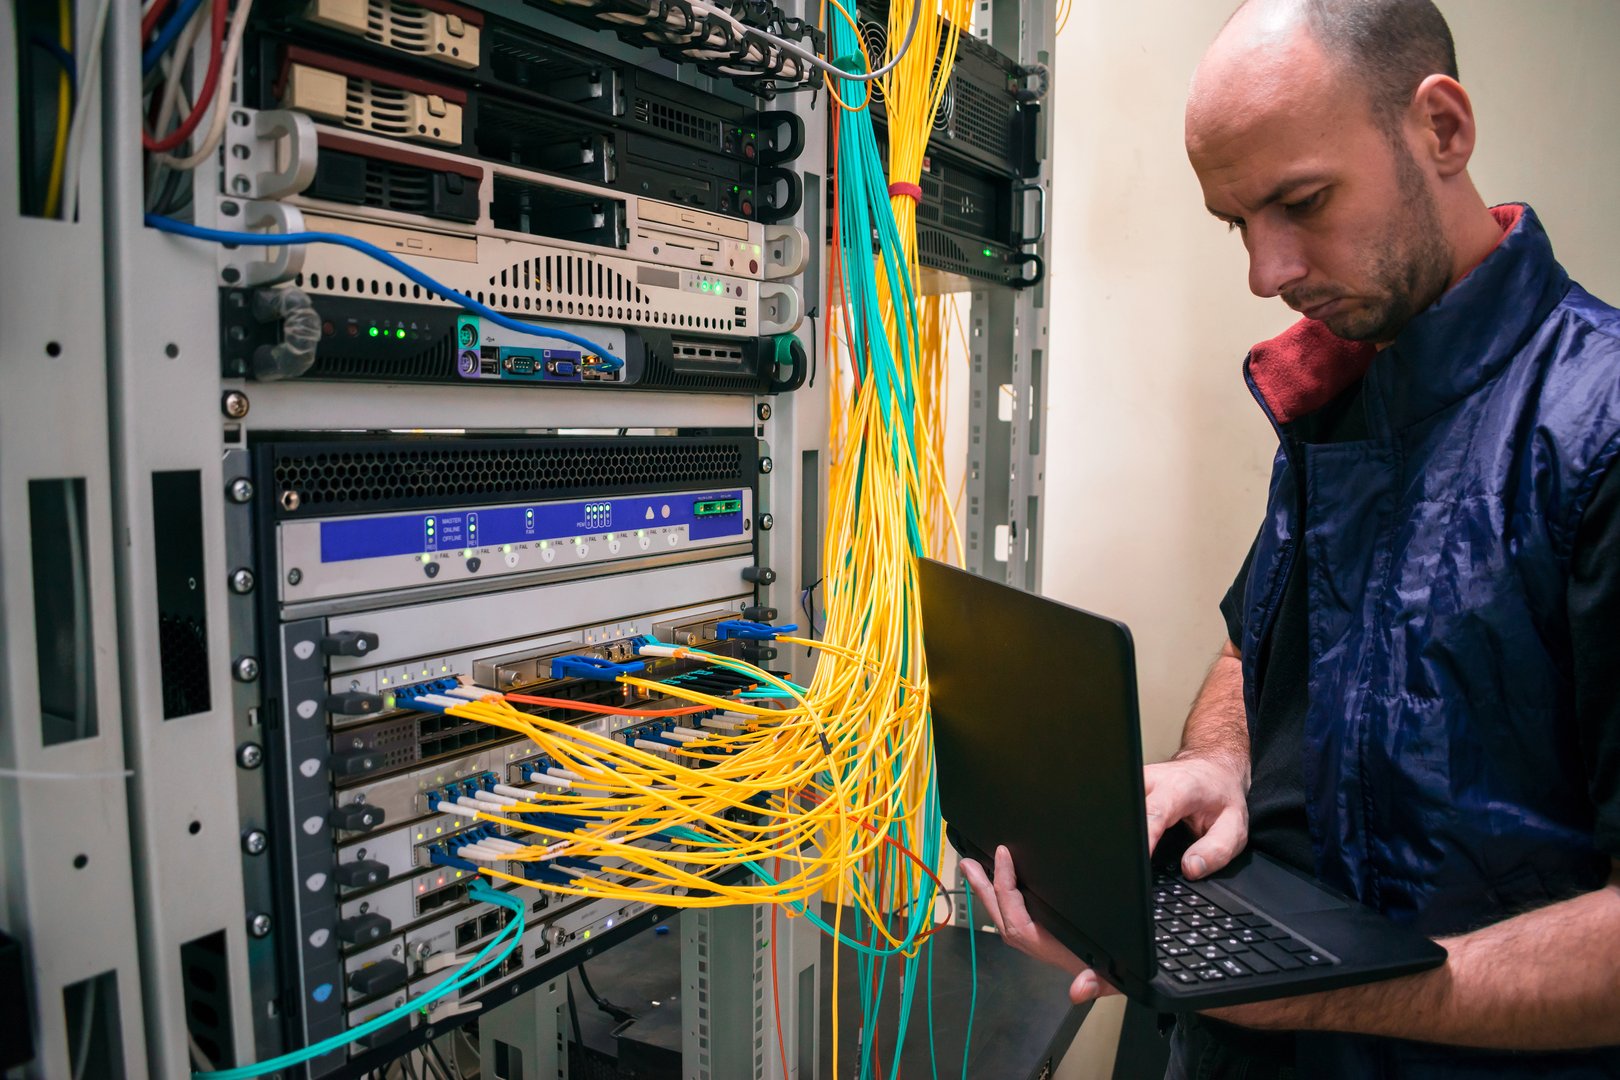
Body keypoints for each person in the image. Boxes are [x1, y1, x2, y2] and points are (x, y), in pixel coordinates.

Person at [959, 0, 1620, 1075]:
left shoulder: (1594, 429)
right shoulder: (1347, 383)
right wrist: (1217, 761)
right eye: (1236, 223)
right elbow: (1250, 644)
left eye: (1301, 202)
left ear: (1442, 130)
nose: (1266, 273)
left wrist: (1333, 1001)